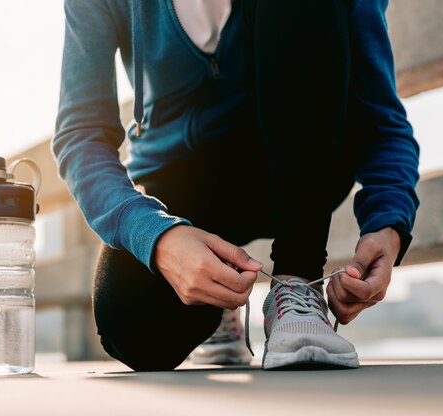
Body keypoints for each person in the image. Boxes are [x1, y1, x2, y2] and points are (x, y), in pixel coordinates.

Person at [52, 0, 420, 371]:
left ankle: (297, 285)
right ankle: (219, 306)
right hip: (180, 183)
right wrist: (157, 237)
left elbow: (381, 121)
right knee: (134, 328)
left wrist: (388, 226)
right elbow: (80, 134)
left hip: (301, 166)